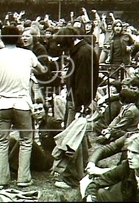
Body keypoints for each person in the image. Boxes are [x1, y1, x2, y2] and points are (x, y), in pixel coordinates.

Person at [0, 25, 46, 188]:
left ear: (2, 38)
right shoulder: (28, 54)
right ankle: (23, 178)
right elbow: (42, 70)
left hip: (2, 104)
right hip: (22, 104)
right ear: (18, 38)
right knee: (26, 141)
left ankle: (0, 179)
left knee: (2, 142)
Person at [53, 26, 99, 189]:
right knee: (78, 137)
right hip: (76, 99)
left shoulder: (83, 53)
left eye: (63, 45)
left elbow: (85, 82)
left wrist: (81, 106)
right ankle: (85, 169)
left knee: (72, 139)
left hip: (78, 100)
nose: (62, 49)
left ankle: (73, 177)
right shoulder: (82, 51)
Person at [84, 134, 139, 202]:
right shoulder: (127, 166)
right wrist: (90, 198)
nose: (129, 156)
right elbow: (98, 181)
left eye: (135, 153)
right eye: (129, 151)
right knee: (101, 193)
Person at [86, 112, 139, 177]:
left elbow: (132, 172)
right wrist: (91, 163)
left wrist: (100, 171)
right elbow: (106, 149)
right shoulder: (129, 136)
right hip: (116, 176)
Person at [8, 101, 63, 172]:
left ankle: (11, 167)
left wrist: (58, 162)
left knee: (27, 140)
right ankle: (3, 165)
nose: (38, 112)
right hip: (32, 155)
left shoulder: (52, 122)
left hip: (45, 158)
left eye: (40, 109)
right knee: (11, 140)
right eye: (35, 110)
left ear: (45, 110)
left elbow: (62, 141)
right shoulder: (29, 122)